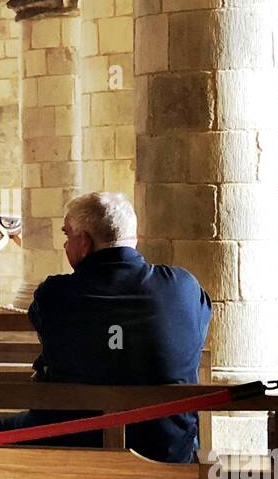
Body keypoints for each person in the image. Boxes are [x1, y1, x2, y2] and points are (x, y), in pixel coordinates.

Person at [17, 191, 212, 463]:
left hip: (72, 453)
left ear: (83, 242)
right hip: (165, 454)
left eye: (66, 236)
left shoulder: (55, 294)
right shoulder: (182, 288)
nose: (65, 246)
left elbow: (44, 326)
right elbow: (198, 327)